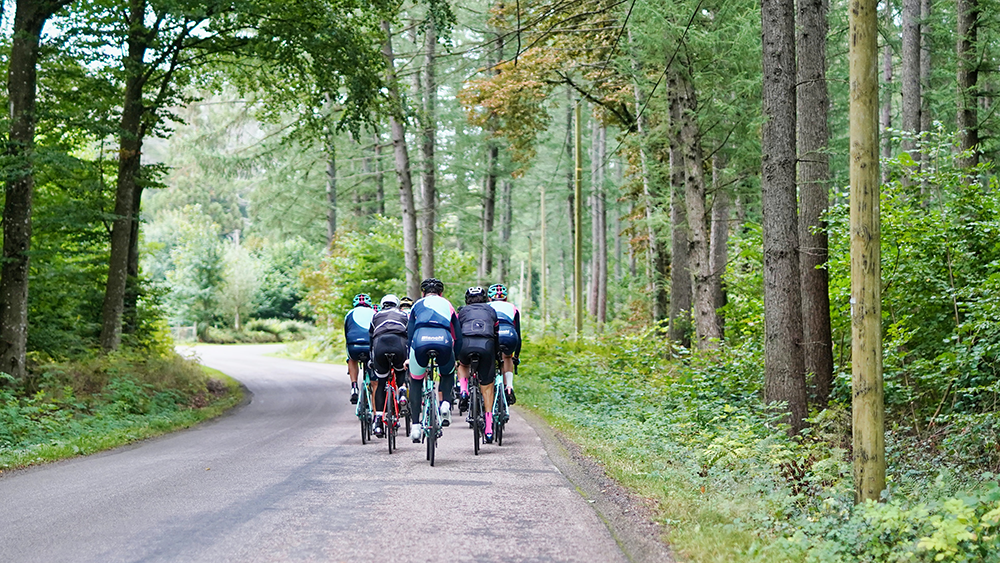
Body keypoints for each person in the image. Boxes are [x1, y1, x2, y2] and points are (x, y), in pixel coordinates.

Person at [406, 278, 462, 442]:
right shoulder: (448, 305)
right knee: (447, 372)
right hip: (443, 340)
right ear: (441, 293)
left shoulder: (417, 305)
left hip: (420, 341)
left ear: (423, 293)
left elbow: (409, 334)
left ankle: (415, 427)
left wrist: (410, 355)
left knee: (416, 381)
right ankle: (445, 404)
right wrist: (456, 357)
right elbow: (457, 336)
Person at [455, 286, 500, 442]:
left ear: (467, 300)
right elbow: (496, 334)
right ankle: (488, 428)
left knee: (463, 364)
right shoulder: (491, 311)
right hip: (486, 345)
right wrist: (496, 356)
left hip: (466, 344)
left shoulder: (462, 312)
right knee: (487, 386)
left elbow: (456, 333)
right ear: (485, 298)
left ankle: (464, 390)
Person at [368, 294, 409, 438]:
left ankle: (378, 421)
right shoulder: (403, 315)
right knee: (400, 372)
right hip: (399, 343)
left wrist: (371, 359)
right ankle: (402, 392)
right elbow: (409, 335)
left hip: (380, 344)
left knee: (381, 383)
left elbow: (370, 338)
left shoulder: (376, 315)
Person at [488, 283, 520, 406]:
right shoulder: (513, 307)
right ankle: (509, 387)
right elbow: (518, 333)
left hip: (492, 334)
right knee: (507, 357)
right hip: (509, 334)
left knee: (489, 357)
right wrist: (516, 356)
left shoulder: (487, 306)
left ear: (490, 298)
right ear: (505, 298)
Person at [344, 293, 377, 404]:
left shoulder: (349, 314)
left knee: (351, 358)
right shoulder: (374, 313)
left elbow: (346, 333)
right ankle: (375, 414)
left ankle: (354, 386)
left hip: (354, 346)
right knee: (375, 383)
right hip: (370, 347)